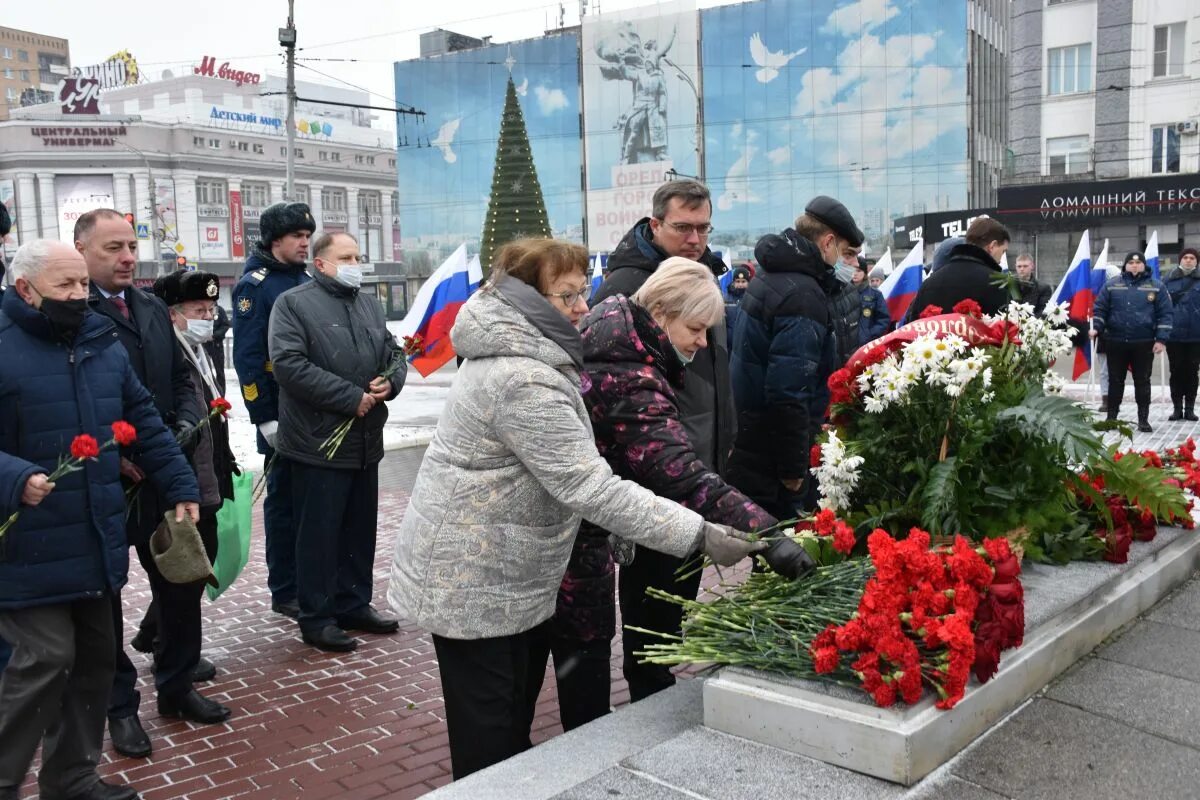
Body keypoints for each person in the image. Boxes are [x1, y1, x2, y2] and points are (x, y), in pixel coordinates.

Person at [387, 238, 764, 780]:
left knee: (510, 730)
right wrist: (702, 534)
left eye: (582, 292)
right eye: (567, 296)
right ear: (528, 300)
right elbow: (593, 488)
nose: (583, 308)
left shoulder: (539, 354)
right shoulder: (524, 378)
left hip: (506, 573)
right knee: (489, 747)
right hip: (475, 578)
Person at [552, 258, 813, 731]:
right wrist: (769, 535)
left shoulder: (627, 341)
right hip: (572, 540)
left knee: (586, 656)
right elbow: (677, 470)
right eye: (695, 328)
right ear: (663, 311)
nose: (703, 342)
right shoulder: (628, 371)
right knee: (583, 665)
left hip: (581, 534)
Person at [0, 239, 199, 800]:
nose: (78, 296)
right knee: (44, 657)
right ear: (24, 290)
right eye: (64, 287)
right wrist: (14, 478)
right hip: (24, 542)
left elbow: (145, 420)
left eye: (82, 285)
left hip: (94, 535)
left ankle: (71, 777)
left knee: (91, 661)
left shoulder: (99, 342)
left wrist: (178, 484)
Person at [591, 179, 738, 703]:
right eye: (684, 227)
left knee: (675, 599)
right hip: (654, 474)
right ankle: (649, 697)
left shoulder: (701, 277)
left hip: (698, 465)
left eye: (704, 227)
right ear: (655, 225)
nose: (696, 237)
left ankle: (658, 683)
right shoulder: (628, 288)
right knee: (652, 601)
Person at [74, 209, 210, 758]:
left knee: (180, 586)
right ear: (81, 249)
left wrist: (179, 426)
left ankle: (177, 687)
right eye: (113, 248)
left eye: (131, 245)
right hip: (105, 481)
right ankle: (120, 709)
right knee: (104, 602)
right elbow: (71, 398)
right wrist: (117, 453)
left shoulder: (151, 305)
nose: (128, 256)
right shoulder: (71, 312)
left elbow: (180, 376)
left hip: (162, 472)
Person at [268, 232, 405, 653]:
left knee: (359, 528)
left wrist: (390, 381)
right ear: (321, 263)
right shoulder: (292, 304)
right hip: (317, 441)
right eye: (346, 256)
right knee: (320, 534)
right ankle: (317, 615)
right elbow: (289, 365)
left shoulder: (367, 302)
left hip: (365, 440)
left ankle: (353, 602)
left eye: (358, 256)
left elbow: (391, 350)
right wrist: (350, 398)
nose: (355, 263)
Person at [139, 270, 237, 721]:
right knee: (188, 567)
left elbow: (214, 414)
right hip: (185, 482)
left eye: (211, 310)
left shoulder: (204, 347)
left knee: (201, 562)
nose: (208, 318)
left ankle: (155, 635)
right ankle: (168, 650)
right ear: (173, 315)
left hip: (208, 474)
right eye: (199, 311)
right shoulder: (165, 353)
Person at [728, 195, 863, 518]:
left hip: (754, 439)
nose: (851, 265)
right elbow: (788, 390)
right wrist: (794, 468)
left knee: (768, 552)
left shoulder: (776, 276)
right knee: (790, 548)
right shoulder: (803, 294)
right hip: (776, 455)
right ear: (828, 242)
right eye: (847, 254)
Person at [232, 202, 315, 620]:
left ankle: (312, 582)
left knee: (311, 504)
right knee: (283, 504)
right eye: (296, 236)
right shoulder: (255, 285)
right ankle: (285, 590)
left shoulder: (305, 278)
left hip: (311, 407)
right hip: (280, 409)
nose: (305, 242)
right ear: (274, 240)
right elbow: (247, 357)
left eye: (307, 236)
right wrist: (263, 416)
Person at [1092, 252, 1173, 432]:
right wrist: (1096, 327)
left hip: (1143, 342)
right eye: (1131, 262)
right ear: (1125, 265)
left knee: (1142, 381)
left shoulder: (1156, 287)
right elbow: (1100, 309)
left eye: (1138, 262)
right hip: (1116, 341)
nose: (1134, 265)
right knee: (1115, 381)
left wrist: (1161, 339)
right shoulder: (1112, 285)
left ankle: (1143, 419)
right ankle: (1111, 418)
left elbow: (1165, 314)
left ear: (1144, 265)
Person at [907, 219, 1010, 321]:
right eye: (1003, 252)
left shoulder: (927, 286)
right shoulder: (999, 284)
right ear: (992, 246)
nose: (1001, 260)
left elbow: (912, 329)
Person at [1165, 248, 1200, 421]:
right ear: (1180, 260)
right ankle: (1177, 408)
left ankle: (1190, 409)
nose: (1188, 260)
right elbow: (1162, 307)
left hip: (1196, 335)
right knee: (1176, 371)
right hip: (1174, 335)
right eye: (1185, 257)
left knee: (1192, 371)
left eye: (1192, 258)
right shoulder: (1169, 280)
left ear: (1197, 261)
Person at [829, 243, 866, 366]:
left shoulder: (851, 291)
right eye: (848, 254)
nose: (856, 264)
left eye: (856, 256)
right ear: (827, 246)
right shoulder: (810, 293)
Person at [853, 256, 889, 344]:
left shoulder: (875, 294)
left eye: (858, 271)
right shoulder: (843, 292)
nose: (854, 273)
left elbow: (884, 319)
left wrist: (869, 334)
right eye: (852, 270)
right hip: (848, 346)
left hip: (868, 343)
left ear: (865, 273)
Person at [723, 263, 751, 350]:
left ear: (748, 283)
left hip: (747, 344)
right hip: (729, 344)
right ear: (733, 282)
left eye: (743, 282)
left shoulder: (752, 298)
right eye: (737, 281)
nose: (740, 284)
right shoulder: (725, 298)